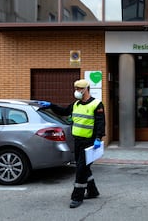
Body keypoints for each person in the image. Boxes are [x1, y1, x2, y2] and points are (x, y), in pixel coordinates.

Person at [39, 79, 106, 208]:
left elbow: (100, 123)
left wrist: (98, 138)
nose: (77, 92)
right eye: (76, 89)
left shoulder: (97, 104)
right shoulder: (76, 104)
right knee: (84, 168)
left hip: (90, 142)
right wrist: (50, 105)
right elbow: (63, 111)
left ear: (86, 89)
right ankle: (92, 191)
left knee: (81, 169)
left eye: (79, 89)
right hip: (78, 141)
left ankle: (77, 197)